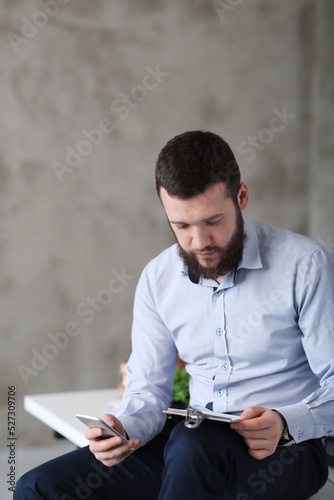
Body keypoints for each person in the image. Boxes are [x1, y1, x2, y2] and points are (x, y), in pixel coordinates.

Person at [15, 130, 333, 499]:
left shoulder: (305, 266)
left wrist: (286, 422)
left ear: (241, 197)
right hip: (191, 442)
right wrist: (122, 425)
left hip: (287, 449)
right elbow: (148, 386)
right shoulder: (158, 277)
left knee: (190, 446)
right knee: (38, 488)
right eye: (182, 226)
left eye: (213, 221)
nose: (200, 242)